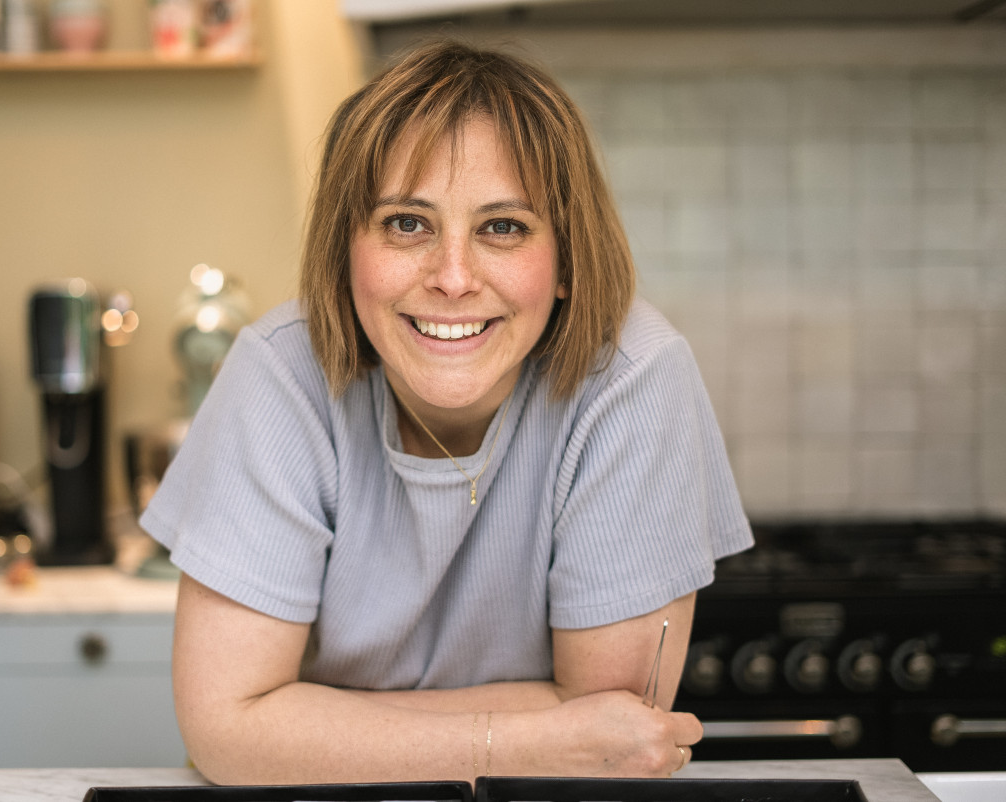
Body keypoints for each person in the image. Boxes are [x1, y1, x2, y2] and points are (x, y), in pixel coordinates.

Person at [140, 40, 753, 785]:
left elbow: (612, 727)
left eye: (503, 227)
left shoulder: (634, 377)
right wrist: (535, 737)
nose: (453, 278)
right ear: (344, 249)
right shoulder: (280, 372)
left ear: (567, 258)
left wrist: (307, 724)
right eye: (407, 223)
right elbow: (226, 728)